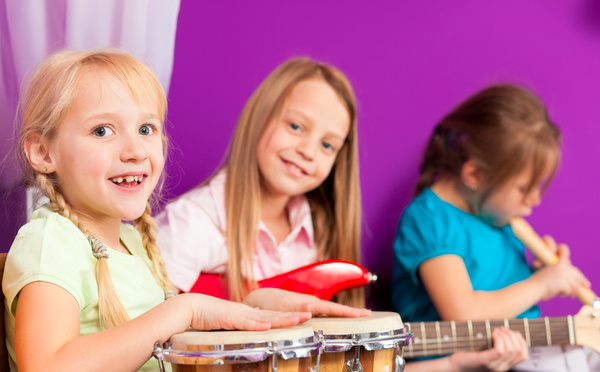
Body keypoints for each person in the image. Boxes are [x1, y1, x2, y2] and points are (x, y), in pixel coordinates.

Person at [156, 58, 529, 371]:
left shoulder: (317, 235)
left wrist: (456, 364)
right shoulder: (196, 221)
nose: (307, 150)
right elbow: (145, 334)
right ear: (259, 117)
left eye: (327, 144)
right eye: (296, 126)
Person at [3, 49, 315, 372]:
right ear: (42, 152)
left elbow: (154, 350)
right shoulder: (50, 241)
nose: (136, 150)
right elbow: (46, 366)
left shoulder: (131, 243)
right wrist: (182, 310)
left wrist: (249, 308)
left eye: (146, 129)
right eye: (102, 131)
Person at [391, 84, 591, 368]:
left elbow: (502, 292)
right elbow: (465, 314)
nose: (535, 199)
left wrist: (539, 272)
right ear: (475, 174)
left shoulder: (493, 215)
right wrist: (542, 284)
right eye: (524, 189)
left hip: (518, 355)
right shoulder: (429, 220)